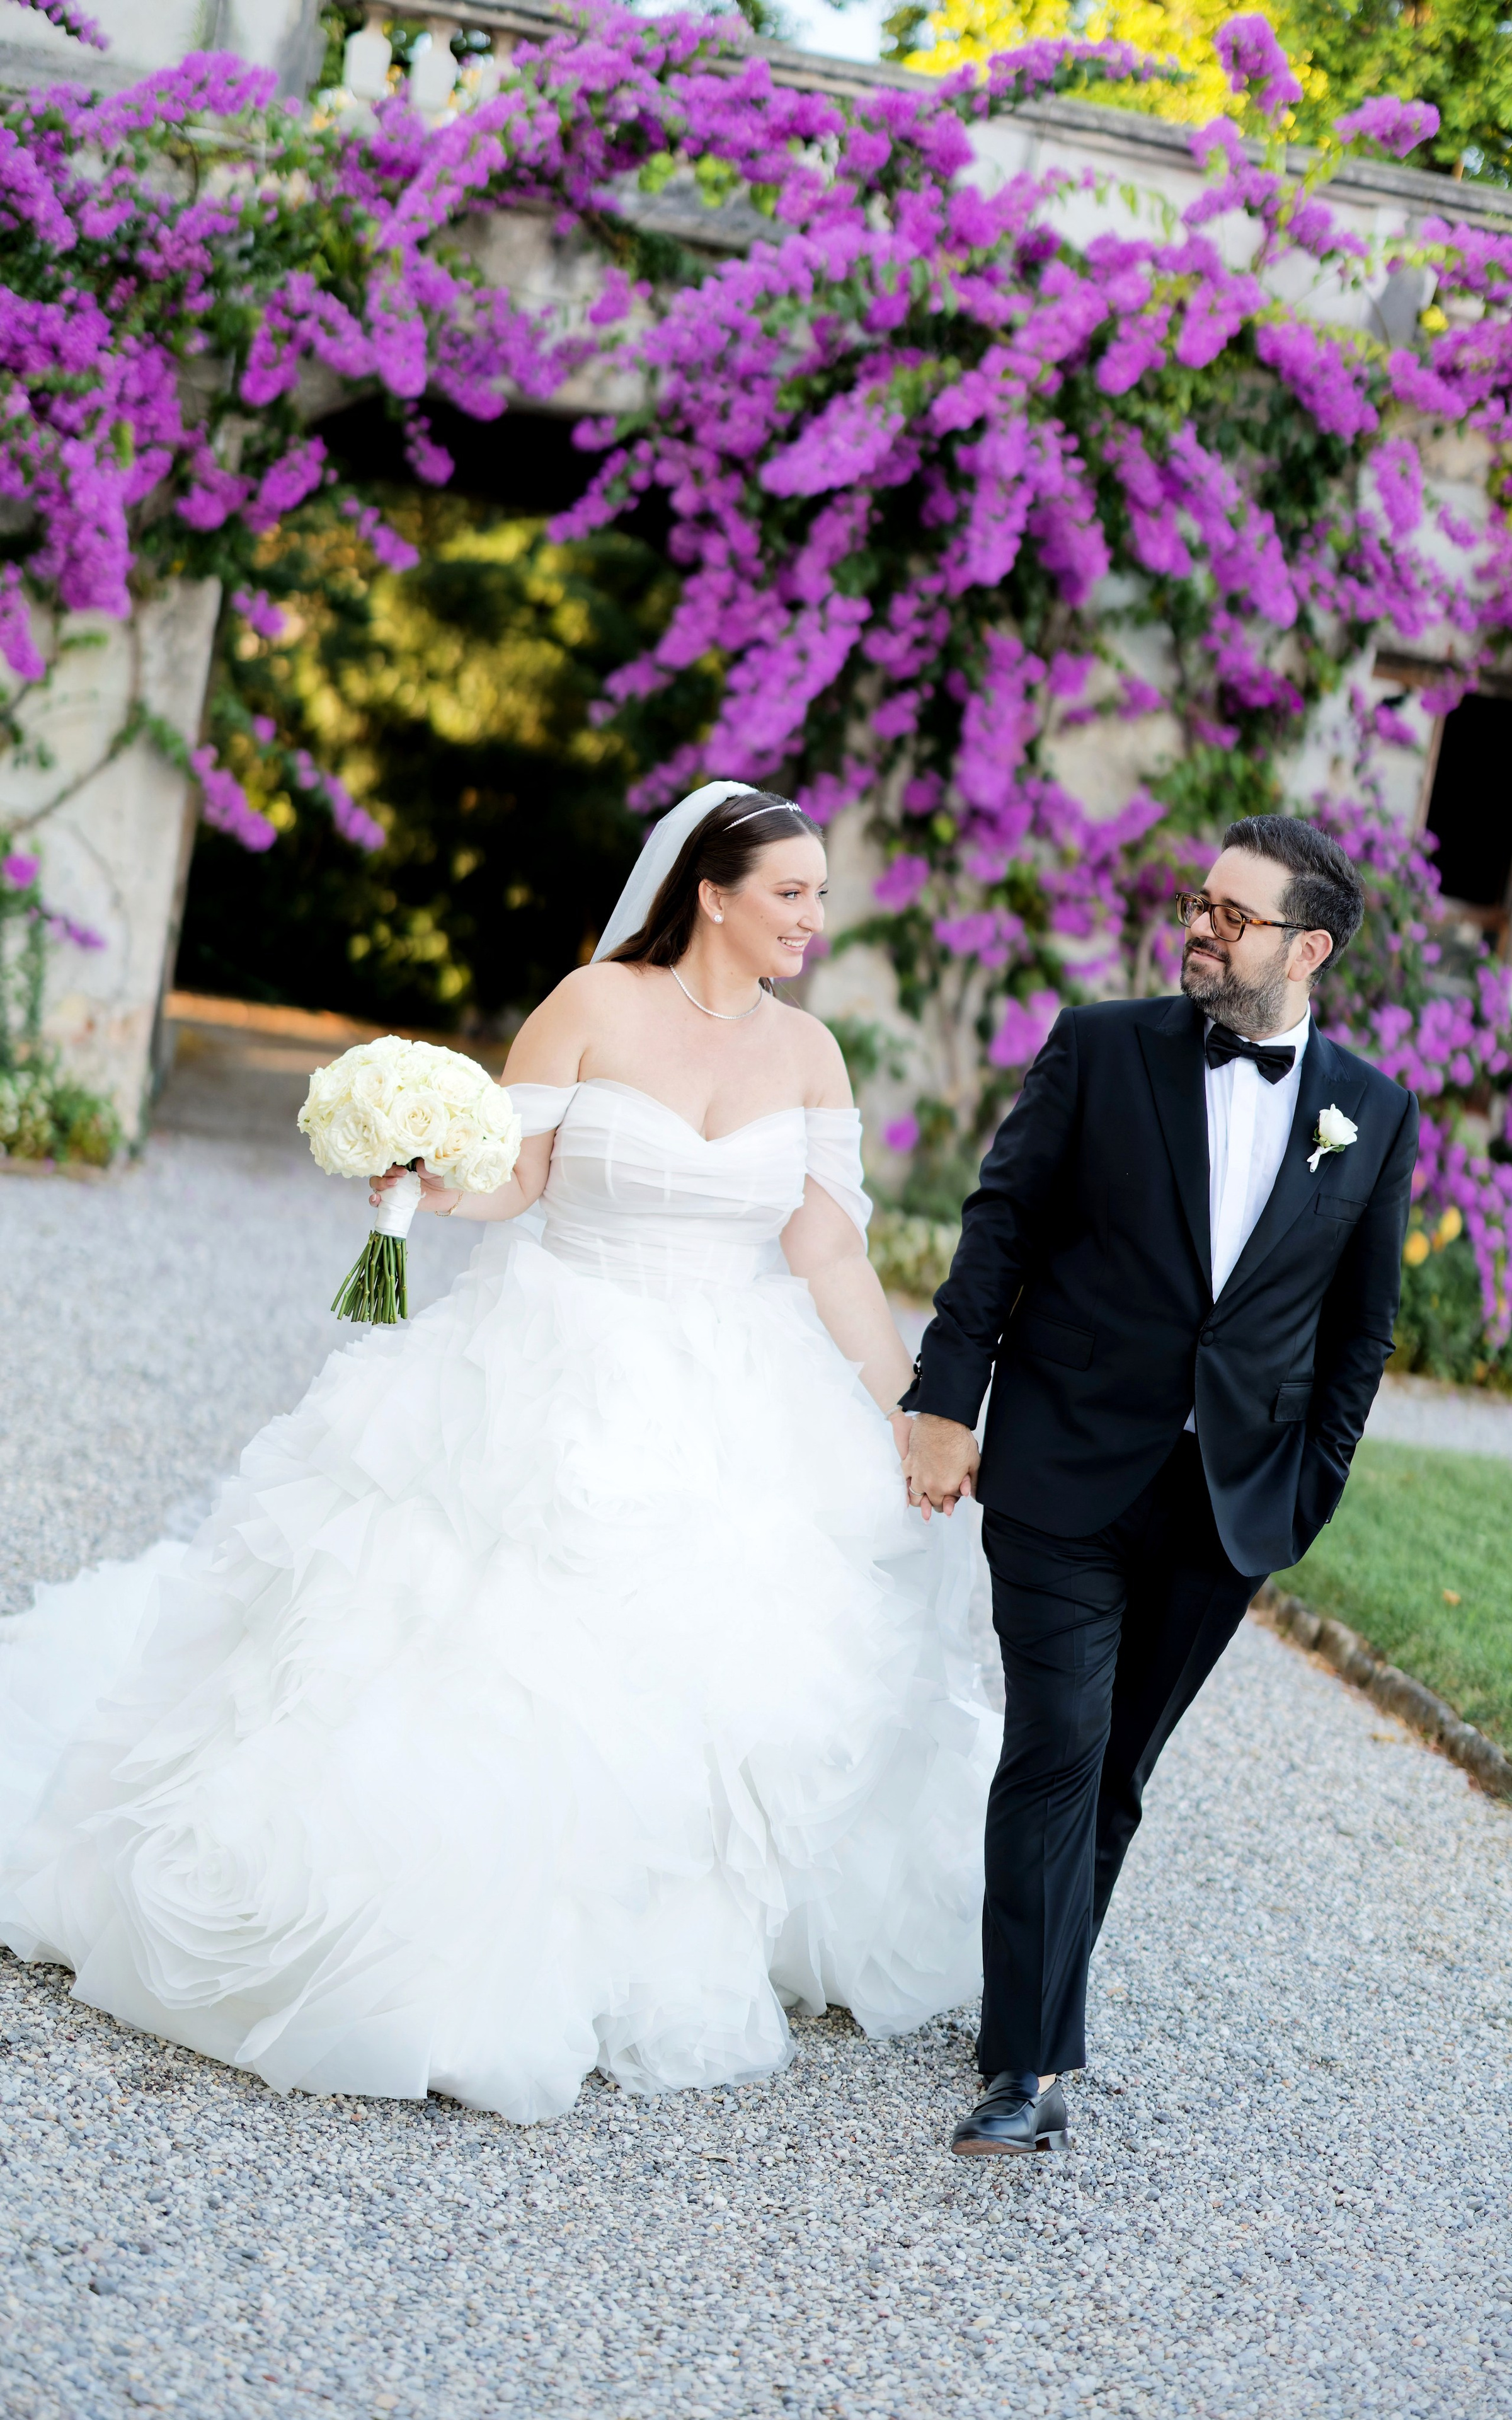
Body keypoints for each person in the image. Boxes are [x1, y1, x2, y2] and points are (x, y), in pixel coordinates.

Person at [0, 782, 998, 2126]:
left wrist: (907, 1407)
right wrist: (417, 1180)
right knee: (497, 1640)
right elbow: (513, 1180)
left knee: (721, 1666)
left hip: (736, 1387)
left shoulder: (810, 1053)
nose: (813, 918)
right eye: (790, 893)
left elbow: (824, 1249)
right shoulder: (589, 1006)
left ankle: (649, 1933)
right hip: (561, 1351)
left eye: (820, 894)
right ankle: (457, 1936)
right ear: (709, 891)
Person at [902, 814, 1417, 2157]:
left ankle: (1030, 2008)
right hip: (1062, 1465)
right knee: (1056, 1749)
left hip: (1227, 1503)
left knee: (1118, 1774)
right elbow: (998, 1224)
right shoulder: (1097, 1047)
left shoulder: (1370, 1111)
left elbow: (1360, 1330)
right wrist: (945, 1399)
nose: (1198, 926)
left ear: (1305, 948)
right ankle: (1022, 2069)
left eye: (1233, 916)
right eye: (1197, 902)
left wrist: (1308, 1489)